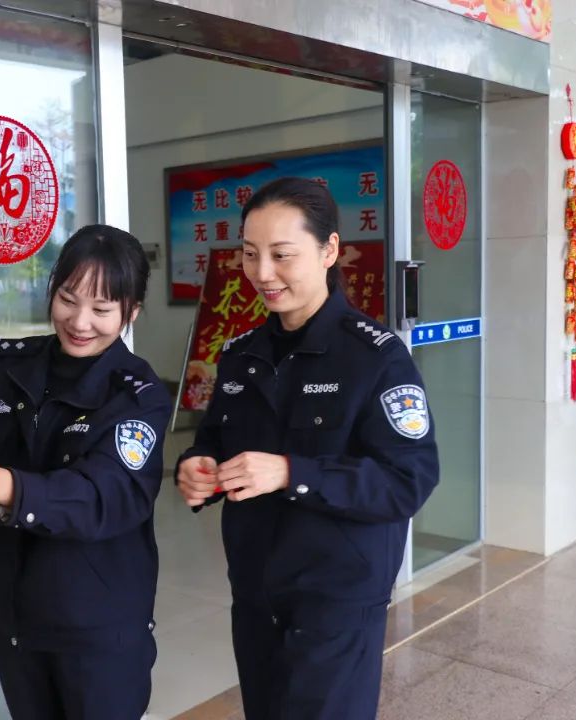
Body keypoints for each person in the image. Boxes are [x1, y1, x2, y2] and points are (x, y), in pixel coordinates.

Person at [175, 177, 440, 720]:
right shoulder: (241, 355)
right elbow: (215, 439)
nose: (262, 273)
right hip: (255, 592)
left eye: (281, 255)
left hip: (336, 601)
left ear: (329, 250)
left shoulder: (376, 358)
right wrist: (197, 466)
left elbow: (406, 481)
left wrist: (290, 472)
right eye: (250, 254)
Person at [0, 224, 171, 720]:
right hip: (13, 614)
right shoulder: (14, 367)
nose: (79, 321)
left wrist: (7, 485)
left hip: (95, 626)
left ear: (131, 312)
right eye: (68, 299)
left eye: (102, 309)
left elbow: (105, 496)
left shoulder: (137, 396)